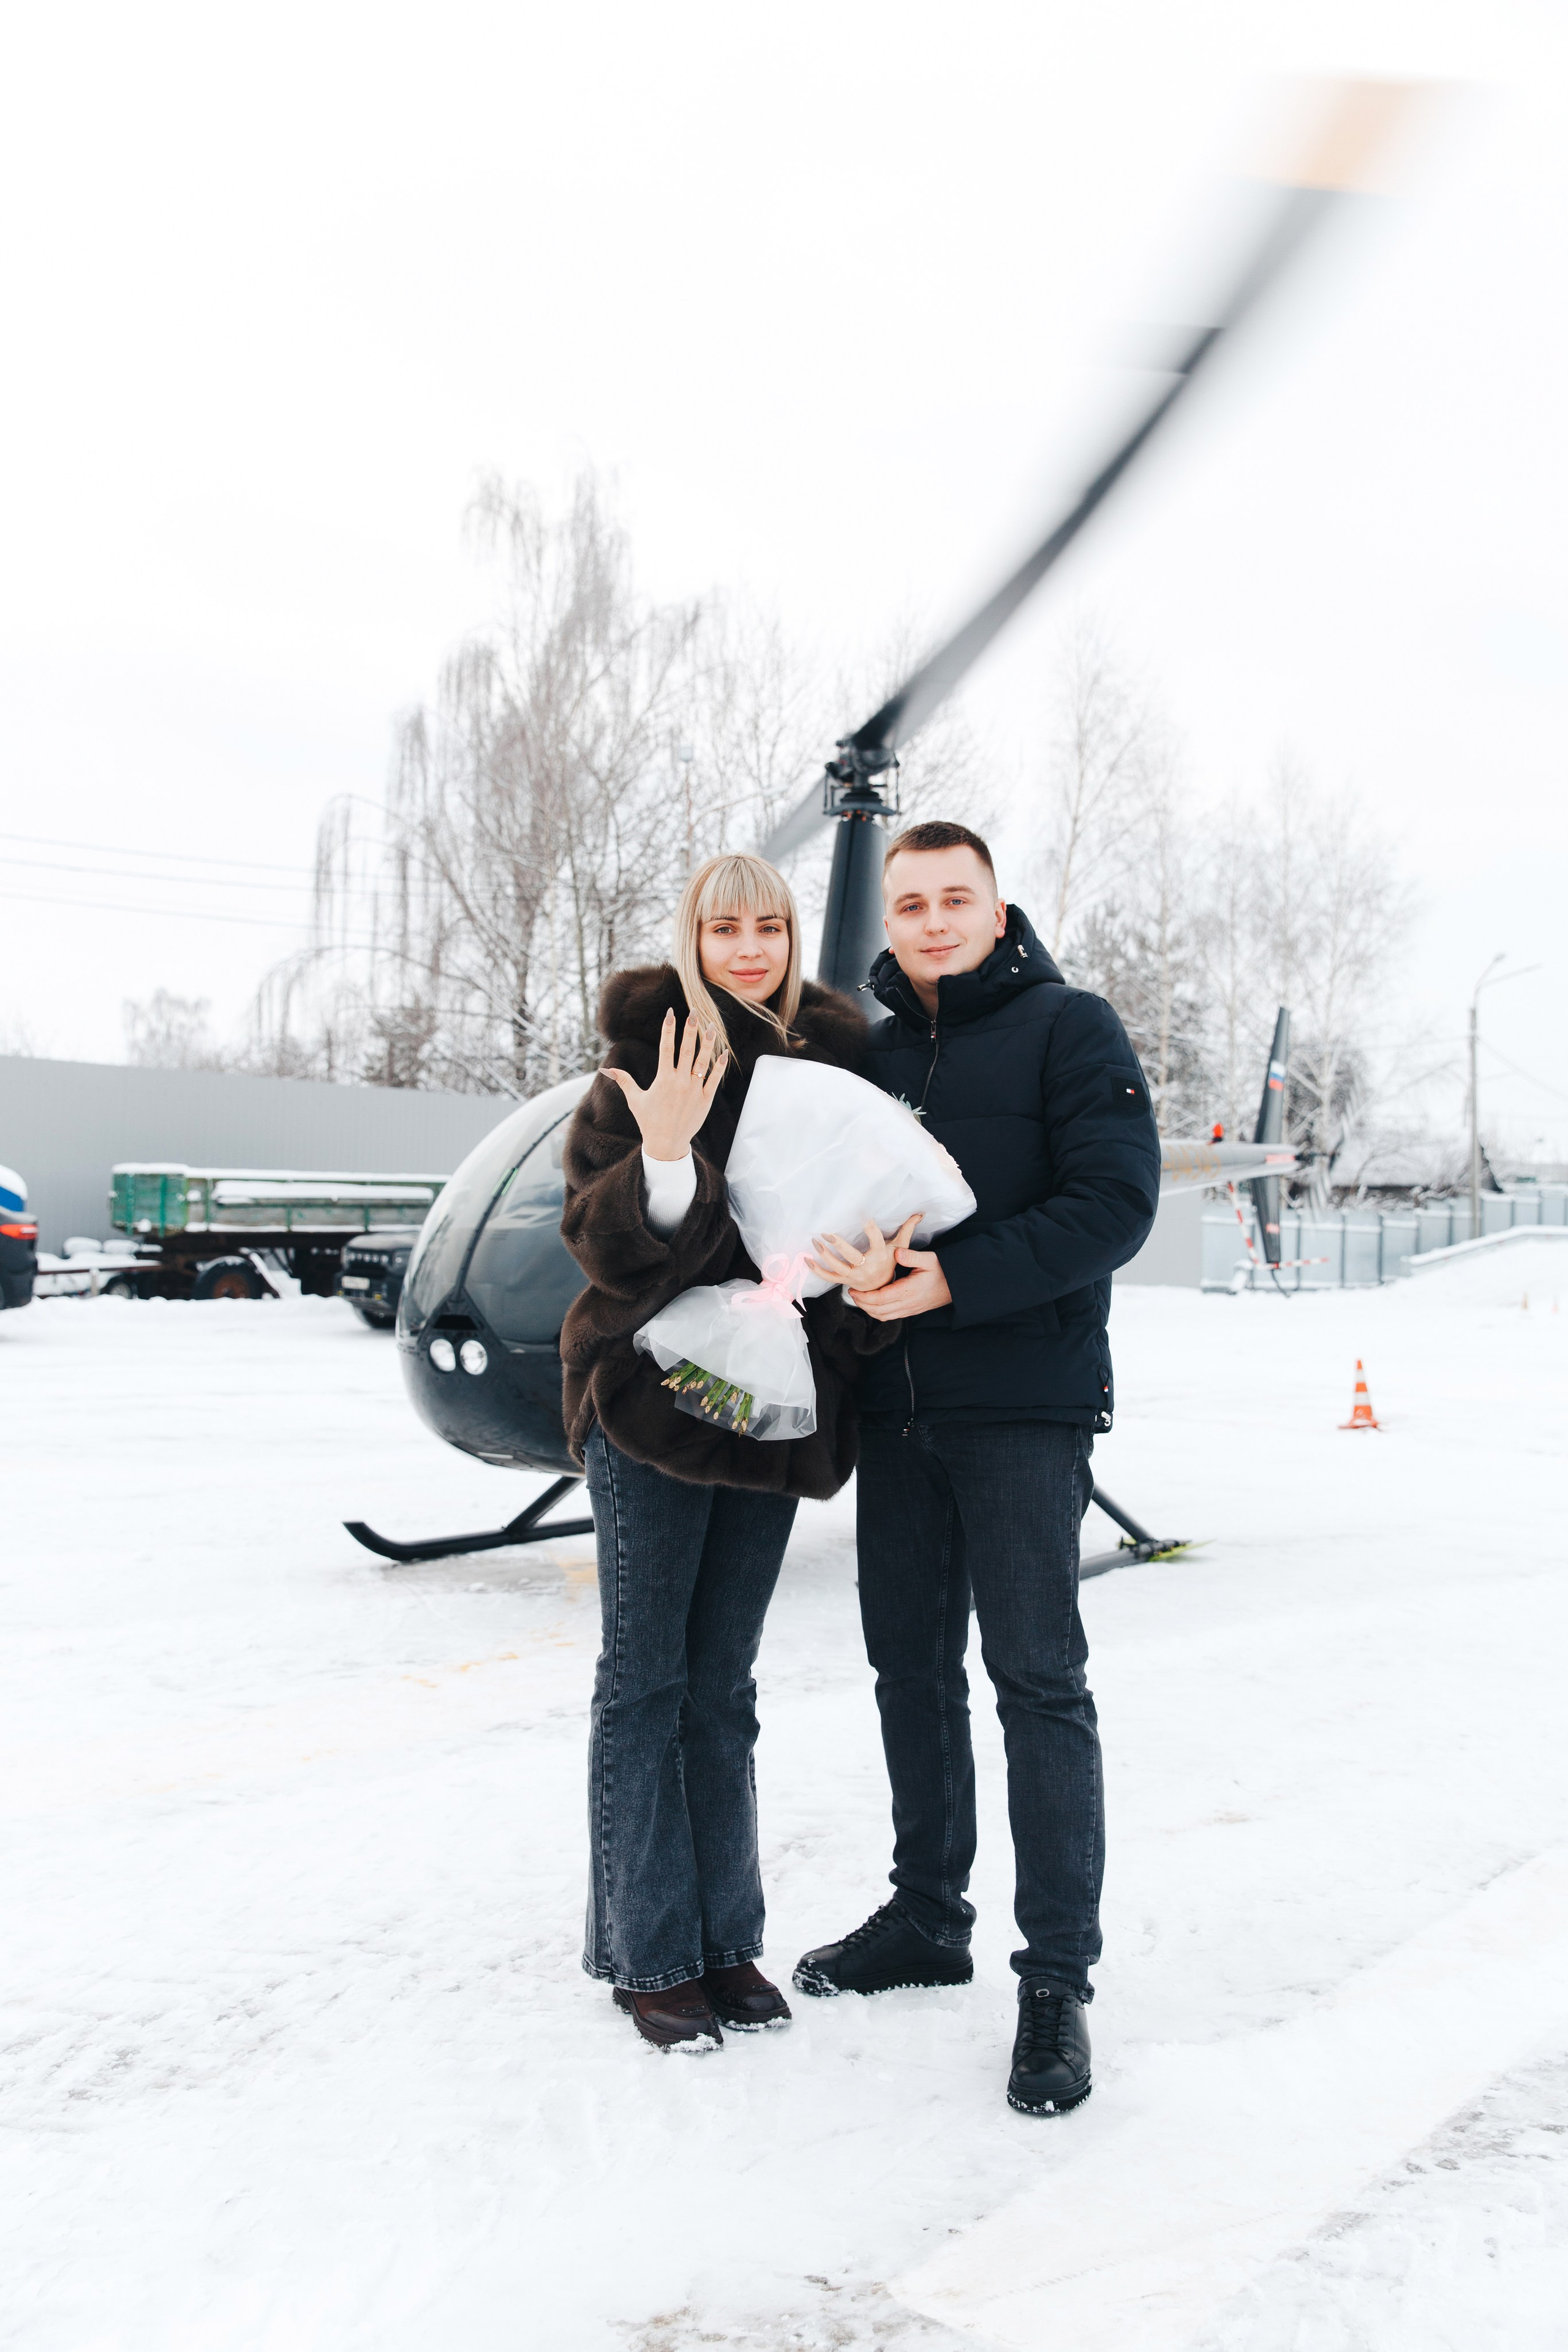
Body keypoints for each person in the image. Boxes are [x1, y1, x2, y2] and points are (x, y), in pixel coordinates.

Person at [791, 820, 1161, 2118]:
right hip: (894, 1410)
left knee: (1036, 1684)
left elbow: (1112, 1205)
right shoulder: (869, 1054)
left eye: (957, 899)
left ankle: (1055, 1980)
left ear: (998, 915)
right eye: (912, 903)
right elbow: (822, 1203)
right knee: (908, 1670)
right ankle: (925, 1916)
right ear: (887, 922)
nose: (934, 921)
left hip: (1021, 1407)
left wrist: (947, 1283)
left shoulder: (1071, 1029)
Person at [560, 851, 907, 2055]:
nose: (749, 949)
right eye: (725, 929)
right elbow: (602, 1247)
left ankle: (723, 1942)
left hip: (766, 1411)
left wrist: (863, 1282)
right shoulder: (648, 1059)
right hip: (652, 1400)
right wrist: (663, 1154)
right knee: (645, 1679)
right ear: (693, 938)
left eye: (769, 927)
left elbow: (856, 1242)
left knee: (722, 1685)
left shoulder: (840, 1074)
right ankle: (649, 1954)